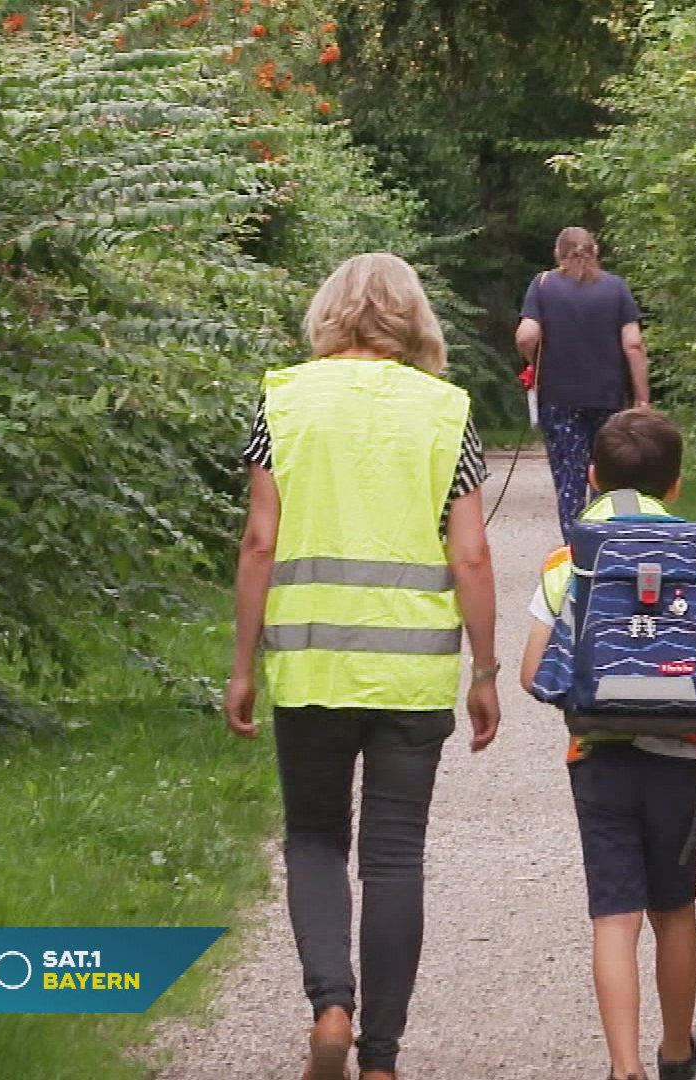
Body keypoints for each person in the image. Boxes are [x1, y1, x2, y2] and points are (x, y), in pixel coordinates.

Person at [225, 252, 503, 1080]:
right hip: (412, 674)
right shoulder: (448, 412)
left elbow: (259, 542)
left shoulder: (282, 400)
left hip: (310, 666)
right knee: (393, 856)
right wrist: (483, 671)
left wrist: (242, 663)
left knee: (313, 840)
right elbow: (475, 555)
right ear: (413, 317)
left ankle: (331, 1011)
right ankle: (380, 1060)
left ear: (329, 312)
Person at [519, 409, 696, 1080]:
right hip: (682, 754)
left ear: (591, 477)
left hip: (599, 756)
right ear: (675, 485)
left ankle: (624, 1066)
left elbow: (534, 672)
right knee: (675, 908)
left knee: (615, 914)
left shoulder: (570, 560)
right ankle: (676, 1051)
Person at [514, 226, 652, 539]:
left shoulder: (543, 285)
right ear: (596, 251)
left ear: (557, 254)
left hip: (558, 399)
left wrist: (536, 363)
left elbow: (526, 335)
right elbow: (633, 344)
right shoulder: (616, 289)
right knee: (607, 476)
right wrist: (642, 400)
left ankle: (576, 551)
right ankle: (607, 547)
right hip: (608, 400)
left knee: (569, 480)